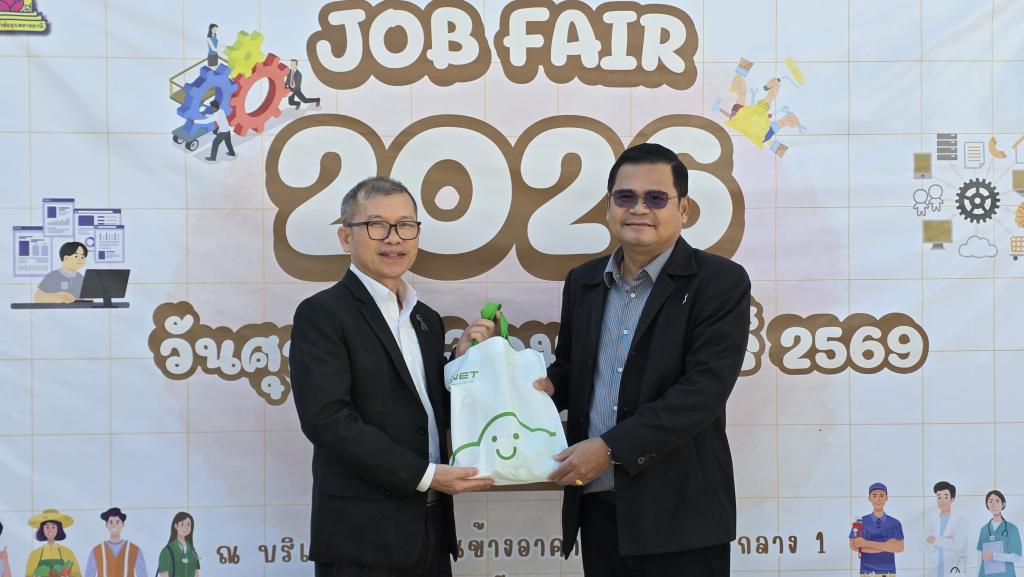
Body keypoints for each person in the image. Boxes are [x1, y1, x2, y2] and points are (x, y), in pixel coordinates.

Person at [532, 143, 752, 576]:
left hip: (681, 514)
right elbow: (571, 370)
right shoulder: (584, 281)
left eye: (655, 198)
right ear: (609, 206)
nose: (638, 209)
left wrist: (610, 448)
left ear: (683, 208)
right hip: (598, 504)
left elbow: (703, 392)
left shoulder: (719, 282)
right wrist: (512, 378)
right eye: (625, 197)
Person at [290, 176, 499, 577]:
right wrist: (426, 475)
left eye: (405, 225)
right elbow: (327, 420)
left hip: (431, 529)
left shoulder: (426, 319)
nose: (394, 238)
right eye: (376, 225)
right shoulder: (322, 314)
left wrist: (461, 362)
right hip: (361, 539)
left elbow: (426, 412)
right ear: (345, 237)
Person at [849, 482, 904, 577]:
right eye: (874, 496)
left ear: (886, 498)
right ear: (869, 498)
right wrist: (887, 546)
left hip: (889, 572)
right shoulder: (859, 522)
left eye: (881, 496)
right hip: (866, 572)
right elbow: (854, 546)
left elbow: (899, 547)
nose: (878, 499)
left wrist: (865, 543)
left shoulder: (895, 523)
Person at [84, 508, 147, 577]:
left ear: (122, 524)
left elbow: (143, 575)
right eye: (111, 522)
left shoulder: (134, 550)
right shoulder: (96, 551)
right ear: (106, 525)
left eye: (117, 522)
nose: (114, 525)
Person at [925, 481, 968, 576]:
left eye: (945, 497)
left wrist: (935, 540)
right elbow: (925, 545)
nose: (942, 500)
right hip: (935, 569)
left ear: (952, 499)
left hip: (953, 568)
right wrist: (945, 540)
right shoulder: (931, 521)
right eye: (939, 497)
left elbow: (958, 544)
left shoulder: (961, 521)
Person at [977, 490, 1022, 576]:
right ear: (987, 504)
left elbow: (1017, 557)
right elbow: (980, 557)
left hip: (1006, 574)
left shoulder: (1012, 529)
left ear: (1003, 504)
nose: (993, 505)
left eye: (997, 501)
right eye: (990, 501)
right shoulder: (984, 529)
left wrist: (994, 556)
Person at [25, 509, 82, 577]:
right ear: (42, 529)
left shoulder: (68, 553)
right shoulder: (34, 554)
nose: (50, 530)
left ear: (58, 529)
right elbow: (29, 574)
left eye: (53, 527)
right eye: (47, 527)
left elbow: (77, 573)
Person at [157, 512, 199, 577]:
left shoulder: (192, 552)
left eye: (188, 524)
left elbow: (196, 574)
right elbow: (164, 574)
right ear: (176, 526)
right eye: (182, 524)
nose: (186, 527)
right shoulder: (167, 551)